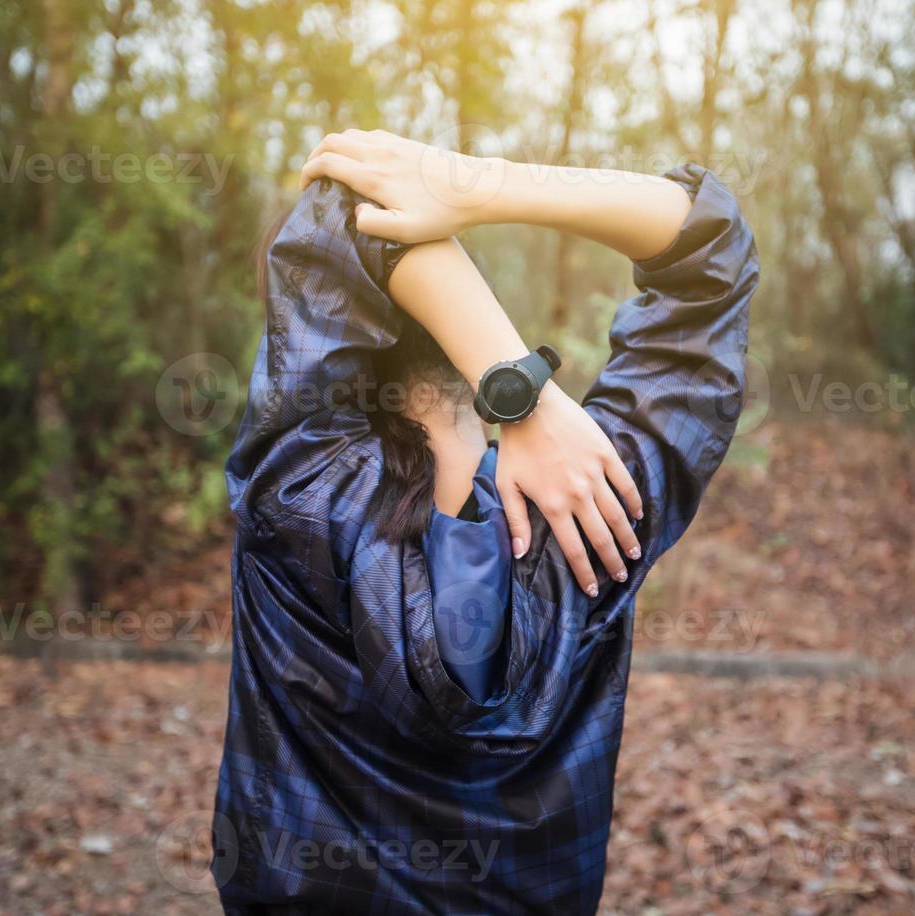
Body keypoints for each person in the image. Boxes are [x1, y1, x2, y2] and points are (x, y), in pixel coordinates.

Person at [213, 130, 759, 914]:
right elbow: (713, 251)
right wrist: (479, 183)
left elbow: (339, 204)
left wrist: (521, 390)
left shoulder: (296, 491)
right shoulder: (603, 506)